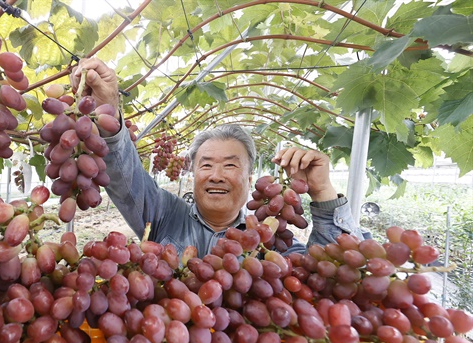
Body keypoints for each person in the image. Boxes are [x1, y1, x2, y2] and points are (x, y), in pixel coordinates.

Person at [70, 58, 366, 257]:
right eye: (206, 164)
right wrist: (108, 107)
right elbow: (124, 178)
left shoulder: (268, 242)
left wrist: (323, 193)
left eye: (230, 165)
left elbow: (333, 275)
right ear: (193, 174)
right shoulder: (164, 213)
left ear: (250, 180)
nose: (215, 174)